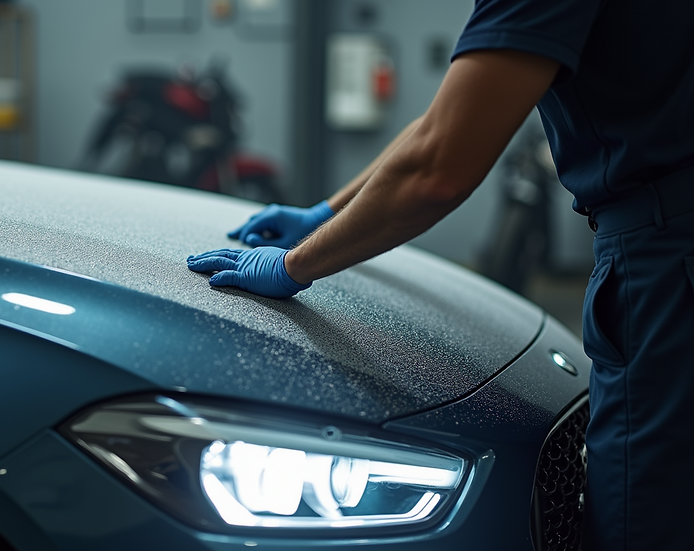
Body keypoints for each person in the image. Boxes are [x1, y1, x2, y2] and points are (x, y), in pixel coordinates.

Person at [187, 1, 693, 549]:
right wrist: (327, 214)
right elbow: (441, 125)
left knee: (642, 522)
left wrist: (295, 265)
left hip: (668, 257)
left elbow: (438, 168)